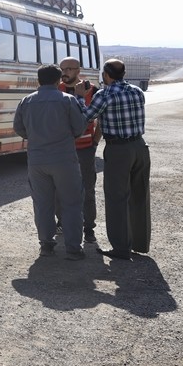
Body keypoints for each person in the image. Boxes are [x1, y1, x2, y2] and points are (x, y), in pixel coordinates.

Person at [75, 58, 149, 261]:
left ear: (106, 75)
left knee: (117, 198)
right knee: (138, 195)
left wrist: (81, 97)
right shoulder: (137, 91)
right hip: (140, 147)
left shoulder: (104, 94)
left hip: (119, 150)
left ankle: (121, 248)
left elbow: (86, 117)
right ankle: (139, 243)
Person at [13, 64, 87, 260]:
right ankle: (73, 248)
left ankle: (46, 245)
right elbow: (79, 128)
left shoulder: (26, 101)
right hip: (64, 159)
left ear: (38, 80)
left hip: (37, 160)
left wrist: (37, 136)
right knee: (71, 203)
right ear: (58, 81)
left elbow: (19, 129)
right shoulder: (67, 100)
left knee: (43, 203)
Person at [59, 57, 101, 243]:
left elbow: (102, 118)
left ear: (78, 70)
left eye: (69, 68)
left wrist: (95, 141)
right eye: (62, 69)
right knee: (60, 189)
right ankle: (62, 222)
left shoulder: (93, 90)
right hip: (62, 149)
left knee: (87, 189)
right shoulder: (56, 89)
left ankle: (88, 228)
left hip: (85, 149)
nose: (65, 72)